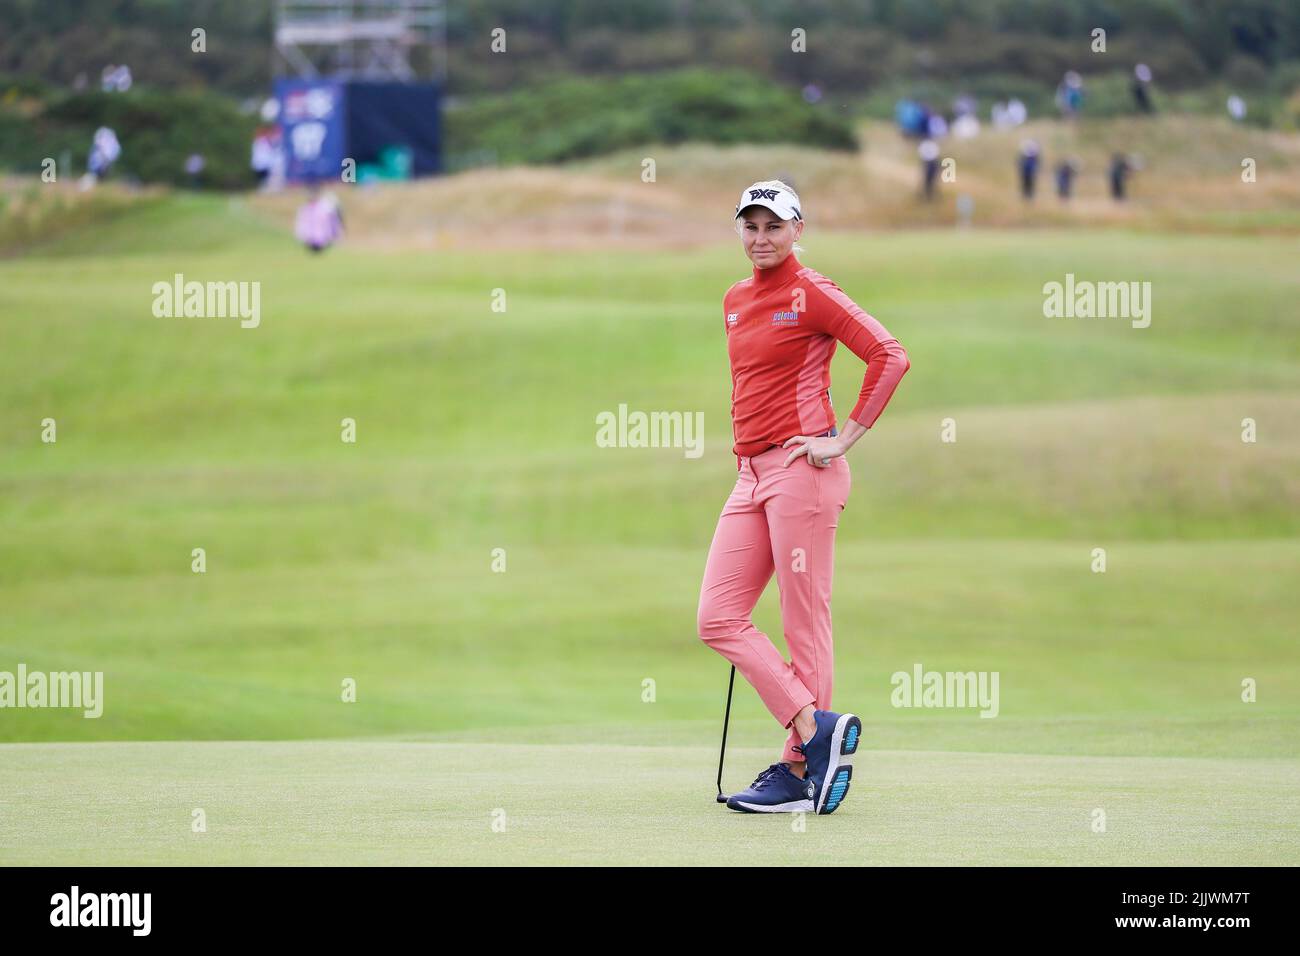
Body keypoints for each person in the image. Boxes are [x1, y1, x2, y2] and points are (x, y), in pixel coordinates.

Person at [698, 179, 911, 814]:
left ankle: (798, 770)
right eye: (750, 225)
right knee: (717, 617)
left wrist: (842, 439)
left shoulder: (811, 290)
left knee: (803, 620)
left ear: (797, 230)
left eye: (773, 226)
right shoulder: (735, 298)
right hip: (750, 476)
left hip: (804, 470)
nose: (760, 238)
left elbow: (889, 356)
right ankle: (817, 729)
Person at [294, 184, 344, 253]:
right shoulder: (306, 208)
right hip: (313, 238)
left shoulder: (324, 206)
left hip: (322, 238)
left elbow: (332, 222)